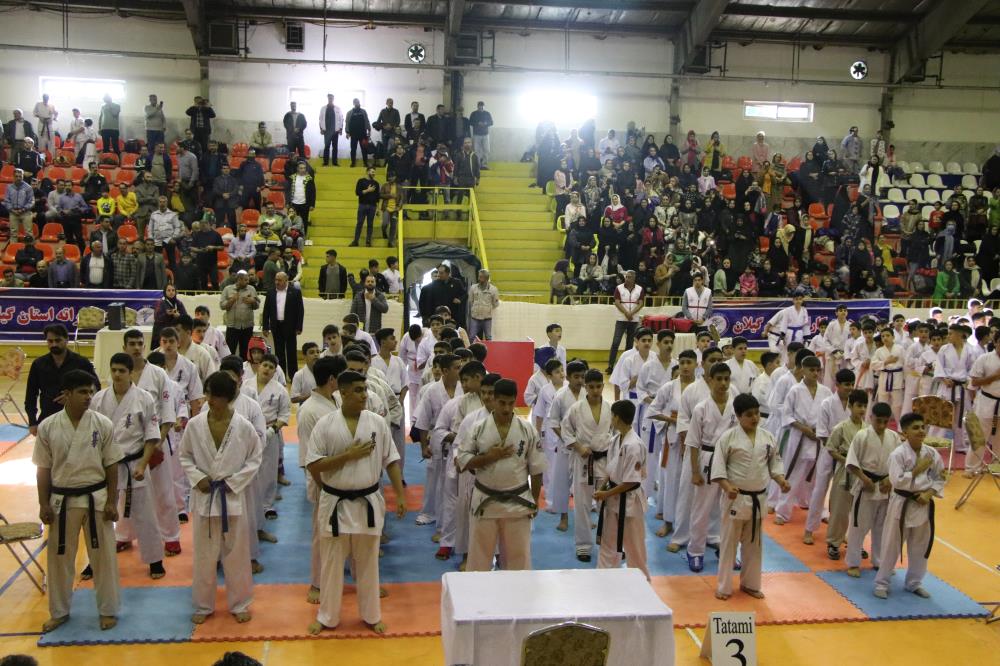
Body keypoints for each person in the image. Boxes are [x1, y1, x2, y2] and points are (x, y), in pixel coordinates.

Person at [306, 370, 405, 635]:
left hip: (367, 500)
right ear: (344, 392)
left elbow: (391, 460)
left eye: (365, 390)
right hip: (335, 502)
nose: (364, 395)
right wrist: (348, 455)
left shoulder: (377, 423)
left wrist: (400, 495)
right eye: (359, 390)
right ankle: (327, 616)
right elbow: (314, 465)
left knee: (368, 562)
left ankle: (371, 615)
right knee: (331, 563)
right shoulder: (325, 424)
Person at [33, 369, 120, 633]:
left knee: (104, 558)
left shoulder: (102, 423)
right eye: (82, 392)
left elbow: (112, 465)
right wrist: (43, 503)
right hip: (62, 500)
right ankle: (59, 612)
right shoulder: (48, 426)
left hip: (96, 498)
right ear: (67, 394)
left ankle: (108, 610)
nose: (88, 397)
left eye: (91, 392)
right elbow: (43, 468)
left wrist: (112, 501)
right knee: (59, 559)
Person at [180, 371, 261, 625]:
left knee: (237, 554)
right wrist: (197, 478)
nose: (210, 400)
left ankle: (240, 603)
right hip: (205, 496)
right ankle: (203, 605)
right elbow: (185, 456)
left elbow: (254, 459)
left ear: (228, 398)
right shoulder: (195, 425)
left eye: (215, 396)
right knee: (204, 555)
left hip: (231, 497)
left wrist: (232, 483)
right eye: (208, 394)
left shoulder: (244, 427)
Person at [458, 378, 545, 571]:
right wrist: (489, 457)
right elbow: (462, 462)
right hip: (485, 501)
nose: (506, 408)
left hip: (518, 502)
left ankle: (517, 591)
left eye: (510, 403)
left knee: (519, 560)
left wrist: (535, 500)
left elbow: (537, 469)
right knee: (478, 559)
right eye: (502, 403)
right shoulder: (478, 428)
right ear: (493, 400)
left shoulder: (527, 429)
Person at [91, 353, 165, 579]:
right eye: (114, 370)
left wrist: (143, 464)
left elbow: (151, 436)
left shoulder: (144, 398)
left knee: (145, 514)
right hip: (107, 465)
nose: (117, 375)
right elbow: (93, 435)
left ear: (131, 373)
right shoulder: (99, 399)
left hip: (134, 463)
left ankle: (155, 560)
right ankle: (95, 560)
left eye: (122, 371)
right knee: (100, 513)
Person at [712, 393, 789, 600]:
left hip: (758, 499)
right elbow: (718, 467)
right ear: (738, 416)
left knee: (754, 544)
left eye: (757, 413)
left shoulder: (767, 437)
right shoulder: (728, 438)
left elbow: (775, 463)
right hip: (735, 498)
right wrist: (727, 486)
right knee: (729, 544)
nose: (755, 418)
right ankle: (724, 587)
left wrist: (781, 480)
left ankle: (750, 584)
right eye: (749, 414)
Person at [873, 412, 945, 599]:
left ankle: (914, 582)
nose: (921, 431)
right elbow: (896, 480)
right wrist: (917, 470)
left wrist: (929, 493)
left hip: (923, 504)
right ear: (904, 433)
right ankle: (882, 583)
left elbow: (940, 477)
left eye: (922, 427)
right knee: (891, 545)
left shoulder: (932, 453)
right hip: (901, 503)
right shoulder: (898, 454)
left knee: (920, 546)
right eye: (915, 428)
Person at [684, 361, 738, 572]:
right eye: (719, 379)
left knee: (730, 509)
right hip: (707, 458)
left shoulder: (735, 406)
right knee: (702, 508)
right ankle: (695, 551)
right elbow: (692, 442)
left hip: (730, 460)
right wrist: (695, 472)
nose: (723, 383)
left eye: (727, 379)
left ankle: (727, 550)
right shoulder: (701, 408)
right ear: (709, 380)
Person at [561, 369, 612, 562]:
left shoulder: (609, 408)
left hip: (604, 460)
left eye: (598, 386)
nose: (595, 390)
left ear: (603, 386)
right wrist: (578, 447)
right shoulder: (576, 408)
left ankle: (608, 543)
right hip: (584, 460)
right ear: (586, 386)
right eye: (591, 387)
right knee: (582, 504)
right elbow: (566, 431)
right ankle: (583, 545)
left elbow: (616, 434)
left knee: (607, 503)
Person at [845, 402, 900, 577]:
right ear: (871, 418)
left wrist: (890, 479)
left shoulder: (894, 437)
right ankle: (853, 563)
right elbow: (851, 462)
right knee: (858, 526)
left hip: (885, 487)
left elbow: (898, 464)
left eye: (885, 422)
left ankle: (879, 562)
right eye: (878, 421)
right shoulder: (862, 435)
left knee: (882, 528)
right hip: (865, 485)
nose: (882, 425)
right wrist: (864, 479)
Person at [775, 356, 832, 525]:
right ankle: (782, 512)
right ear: (803, 370)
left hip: (819, 438)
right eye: (811, 370)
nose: (815, 373)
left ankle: (819, 511)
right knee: (792, 474)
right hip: (799, 436)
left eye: (817, 370)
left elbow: (829, 416)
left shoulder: (825, 391)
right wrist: (804, 429)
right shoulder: (795, 390)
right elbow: (787, 415)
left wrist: (820, 431)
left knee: (818, 478)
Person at [25, 324, 99, 436]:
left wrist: (74, 398)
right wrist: (32, 422)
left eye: (58, 340)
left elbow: (96, 387)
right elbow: (31, 395)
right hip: (48, 418)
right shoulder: (38, 364)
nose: (54, 344)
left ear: (67, 340)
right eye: (50, 341)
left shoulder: (81, 362)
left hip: (78, 419)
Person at [262, 272, 305, 377]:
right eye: (276, 280)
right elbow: (266, 310)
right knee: (279, 352)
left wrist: (299, 327)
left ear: (286, 280)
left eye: (280, 280)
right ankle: (281, 376)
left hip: (290, 327)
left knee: (291, 352)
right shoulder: (271, 292)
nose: (277, 282)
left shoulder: (295, 292)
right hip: (276, 326)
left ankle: (293, 376)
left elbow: (300, 310)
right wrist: (265, 326)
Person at [606, 270, 644, 373]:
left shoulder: (640, 289)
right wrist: (627, 313)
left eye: (629, 277)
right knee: (615, 342)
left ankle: (626, 366)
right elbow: (617, 302)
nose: (627, 278)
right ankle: (610, 366)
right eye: (626, 276)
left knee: (629, 344)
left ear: (634, 278)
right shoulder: (619, 288)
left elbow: (641, 303)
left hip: (634, 319)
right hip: (621, 318)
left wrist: (631, 313)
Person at [220, 270, 260, 359]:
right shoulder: (227, 289)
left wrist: (253, 301)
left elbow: (257, 306)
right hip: (232, 326)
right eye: (245, 280)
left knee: (245, 352)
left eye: (247, 279)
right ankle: (230, 367)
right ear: (239, 280)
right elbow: (222, 306)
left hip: (247, 326)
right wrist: (232, 300)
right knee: (230, 352)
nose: (248, 282)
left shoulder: (251, 289)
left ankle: (244, 367)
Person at [468, 269, 500, 341]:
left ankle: (489, 349)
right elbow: (471, 300)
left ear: (486, 278)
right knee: (471, 337)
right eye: (479, 276)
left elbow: (495, 304)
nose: (479, 279)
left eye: (481, 277)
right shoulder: (473, 287)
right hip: (475, 318)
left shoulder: (493, 290)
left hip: (487, 319)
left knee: (488, 337)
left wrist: (487, 309)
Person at [351, 167, 379, 247]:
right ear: (367, 172)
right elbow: (357, 192)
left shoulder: (376, 183)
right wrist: (367, 190)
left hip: (373, 206)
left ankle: (368, 241)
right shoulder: (361, 181)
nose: (373, 173)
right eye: (372, 172)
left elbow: (377, 197)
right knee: (359, 223)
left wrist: (378, 209)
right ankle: (356, 241)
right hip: (362, 205)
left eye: (374, 172)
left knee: (370, 224)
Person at [286, 161, 316, 232]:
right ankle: (292, 235)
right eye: (301, 168)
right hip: (293, 204)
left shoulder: (309, 179)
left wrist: (312, 204)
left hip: (305, 204)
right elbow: (287, 191)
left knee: (304, 221)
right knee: (292, 220)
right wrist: (287, 202)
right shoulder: (292, 178)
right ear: (297, 168)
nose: (303, 170)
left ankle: (303, 235)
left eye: (304, 168)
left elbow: (313, 192)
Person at [344, 98, 372, 167]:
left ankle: (365, 163)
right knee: (353, 149)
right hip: (353, 135)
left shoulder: (363, 111)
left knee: (364, 149)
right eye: (355, 102)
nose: (357, 103)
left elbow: (367, 121)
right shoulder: (349, 113)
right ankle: (353, 163)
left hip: (363, 134)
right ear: (353, 103)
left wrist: (369, 130)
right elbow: (347, 123)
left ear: (359, 103)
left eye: (358, 102)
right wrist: (347, 132)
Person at [319, 94, 344, 166]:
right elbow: (320, 119)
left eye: (332, 98)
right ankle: (325, 162)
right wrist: (321, 128)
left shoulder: (338, 108)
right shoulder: (323, 108)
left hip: (335, 131)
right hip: (326, 131)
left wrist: (340, 129)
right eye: (329, 98)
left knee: (335, 147)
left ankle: (335, 162)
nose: (330, 99)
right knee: (327, 147)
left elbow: (341, 119)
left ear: (333, 99)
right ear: (328, 98)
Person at [469, 101, 493, 169]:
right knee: (477, 150)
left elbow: (491, 122)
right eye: (479, 106)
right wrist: (477, 123)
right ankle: (478, 165)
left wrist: (486, 123)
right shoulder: (473, 113)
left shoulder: (487, 113)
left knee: (487, 150)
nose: (480, 107)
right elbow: (470, 122)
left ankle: (484, 165)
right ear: (477, 106)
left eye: (482, 106)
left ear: (483, 106)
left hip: (485, 134)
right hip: (476, 134)